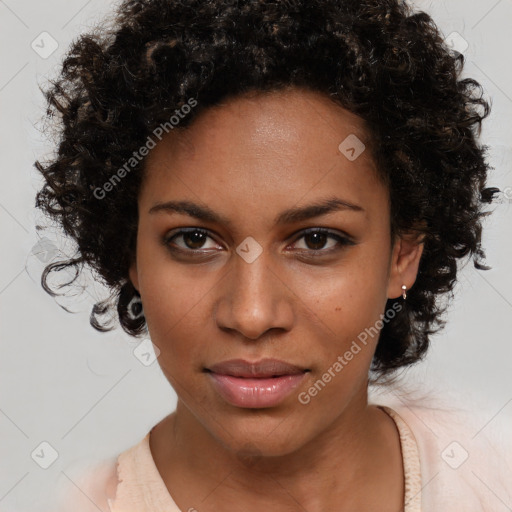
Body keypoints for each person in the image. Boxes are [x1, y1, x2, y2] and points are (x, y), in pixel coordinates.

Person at [34, 0, 511, 510]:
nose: (252, 314)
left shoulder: (492, 476)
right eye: (194, 240)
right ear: (130, 255)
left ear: (403, 254)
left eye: (316, 240)